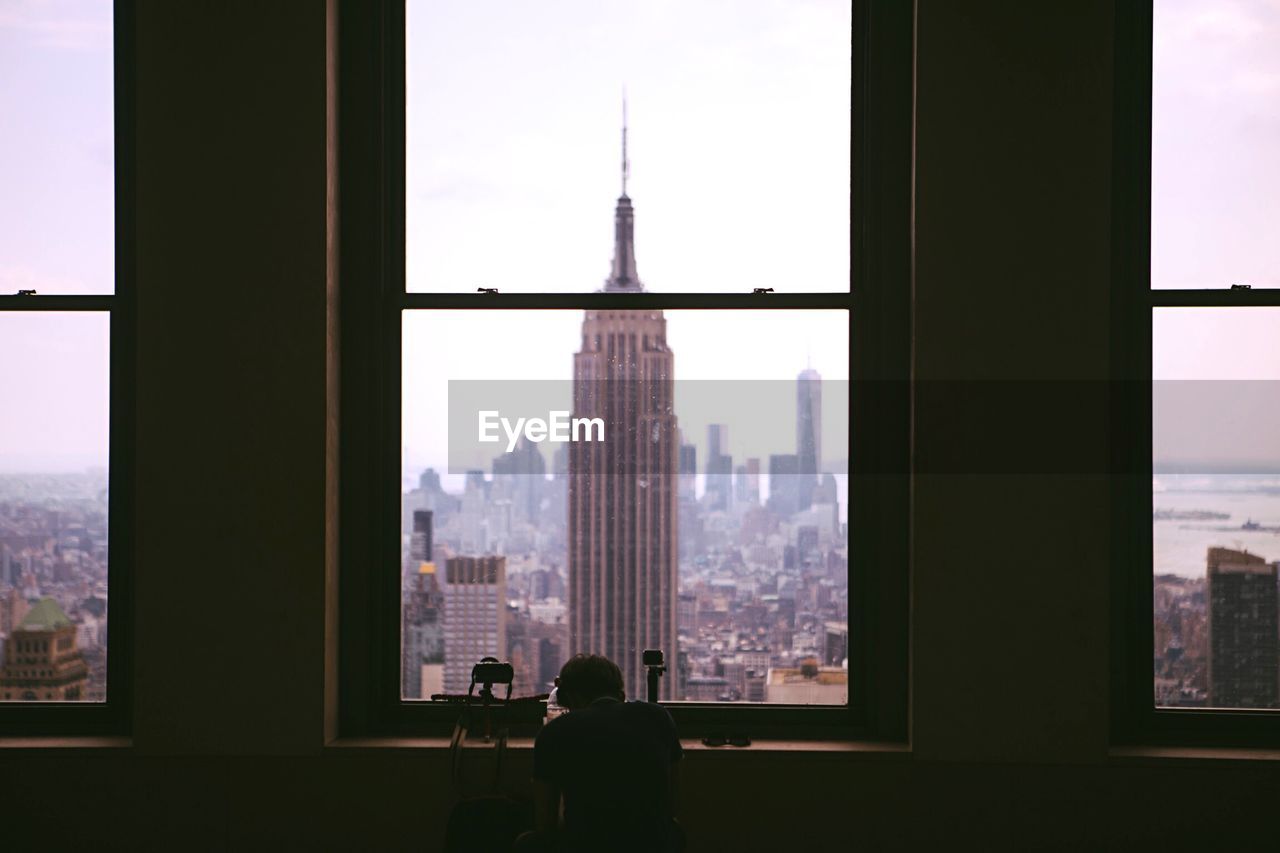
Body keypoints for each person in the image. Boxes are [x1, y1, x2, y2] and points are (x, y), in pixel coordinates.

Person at [515, 654, 684, 852]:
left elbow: (545, 823)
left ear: (566, 695)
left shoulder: (555, 732)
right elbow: (672, 803)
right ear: (619, 693)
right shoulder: (659, 717)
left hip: (585, 845)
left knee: (526, 842)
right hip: (654, 844)